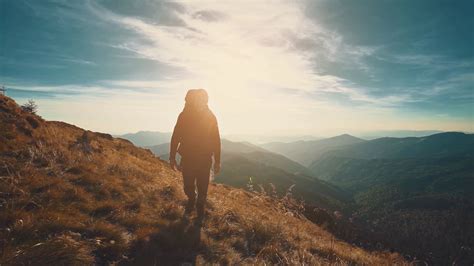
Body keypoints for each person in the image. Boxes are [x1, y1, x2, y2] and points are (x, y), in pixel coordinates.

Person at [169, 89, 221, 218]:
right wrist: (172, 157)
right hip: (188, 158)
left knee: (203, 187)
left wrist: (218, 161)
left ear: (206, 101)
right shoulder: (184, 116)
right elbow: (175, 136)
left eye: (202, 99)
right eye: (197, 99)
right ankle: (192, 199)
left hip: (205, 159)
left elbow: (216, 140)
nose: (200, 102)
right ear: (191, 101)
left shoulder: (211, 116)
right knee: (188, 186)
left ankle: (200, 208)